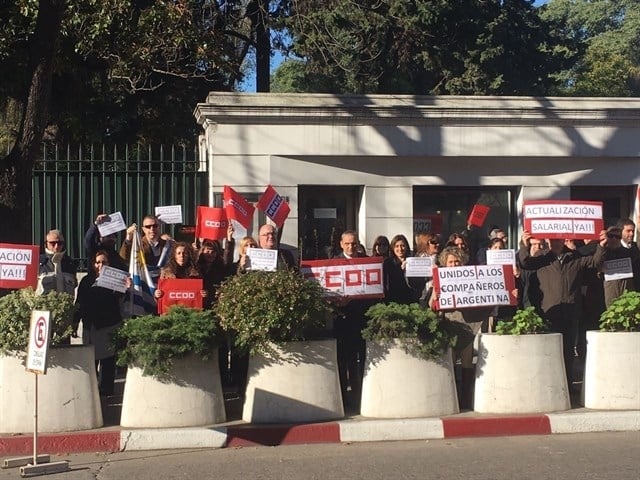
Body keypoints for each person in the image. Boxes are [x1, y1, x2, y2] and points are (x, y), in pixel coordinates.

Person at [519, 229, 607, 390]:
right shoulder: (542, 258)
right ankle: (550, 384)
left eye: (558, 239)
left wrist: (601, 245)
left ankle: (567, 383)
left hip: (571, 311)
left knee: (568, 350)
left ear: (564, 239)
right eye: (552, 240)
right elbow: (525, 263)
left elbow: (595, 262)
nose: (555, 242)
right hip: (549, 311)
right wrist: (524, 245)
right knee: (550, 350)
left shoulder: (575, 257)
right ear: (548, 240)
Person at [424, 246, 493, 409]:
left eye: (457, 262)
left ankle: (466, 400)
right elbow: (431, 306)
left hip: (467, 323)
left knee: (467, 362)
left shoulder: (471, 278)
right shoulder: (436, 279)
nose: (454, 265)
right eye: (451, 262)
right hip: (449, 323)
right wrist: (435, 287)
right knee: (451, 361)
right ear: (445, 264)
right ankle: (451, 400)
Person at [75, 250, 130, 396]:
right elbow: (79, 303)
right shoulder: (86, 281)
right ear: (93, 264)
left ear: (109, 264)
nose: (100, 265)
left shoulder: (116, 280)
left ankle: (106, 392)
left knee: (108, 360)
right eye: (97, 262)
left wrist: (127, 288)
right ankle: (91, 391)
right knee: (91, 360)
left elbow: (122, 302)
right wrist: (74, 322)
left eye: (104, 262)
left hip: (110, 325)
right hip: (91, 327)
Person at [333, 230, 373, 410]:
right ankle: (343, 396)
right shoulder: (333, 263)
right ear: (341, 244)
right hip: (342, 318)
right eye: (347, 243)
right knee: (343, 360)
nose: (351, 246)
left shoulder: (366, 261)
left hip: (361, 318)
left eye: (354, 243)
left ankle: (360, 396)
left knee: (361, 359)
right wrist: (336, 301)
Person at [119, 214, 173, 280]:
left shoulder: (168, 244)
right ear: (143, 229)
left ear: (159, 227)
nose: (152, 229)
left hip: (163, 282)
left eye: (155, 226)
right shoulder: (138, 245)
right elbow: (124, 258)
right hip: (144, 283)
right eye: (148, 226)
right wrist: (128, 238)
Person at [602, 226, 638, 307]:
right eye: (611, 236)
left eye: (617, 237)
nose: (614, 239)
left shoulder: (628, 253)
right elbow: (597, 261)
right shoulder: (602, 252)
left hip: (626, 293)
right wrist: (602, 246)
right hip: (608, 294)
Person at [37, 229, 78, 296]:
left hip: (66, 305)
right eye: (52, 243)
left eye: (60, 243)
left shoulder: (70, 263)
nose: (56, 246)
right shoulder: (38, 262)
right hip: (43, 305)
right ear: (45, 244)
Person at [383, 234, 415, 304]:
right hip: (392, 299)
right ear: (392, 248)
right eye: (397, 246)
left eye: (402, 246)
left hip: (409, 299)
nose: (400, 249)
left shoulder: (413, 261)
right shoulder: (387, 262)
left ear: (407, 247)